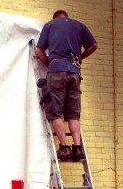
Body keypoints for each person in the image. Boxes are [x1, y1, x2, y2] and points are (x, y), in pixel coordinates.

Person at [36, 10, 98, 161]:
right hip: (74, 73)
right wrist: (79, 58)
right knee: (73, 113)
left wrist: (50, 63)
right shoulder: (80, 26)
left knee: (55, 111)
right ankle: (77, 147)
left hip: (57, 71)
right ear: (66, 17)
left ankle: (64, 148)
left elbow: (39, 51)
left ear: (55, 18)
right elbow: (93, 45)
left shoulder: (50, 25)